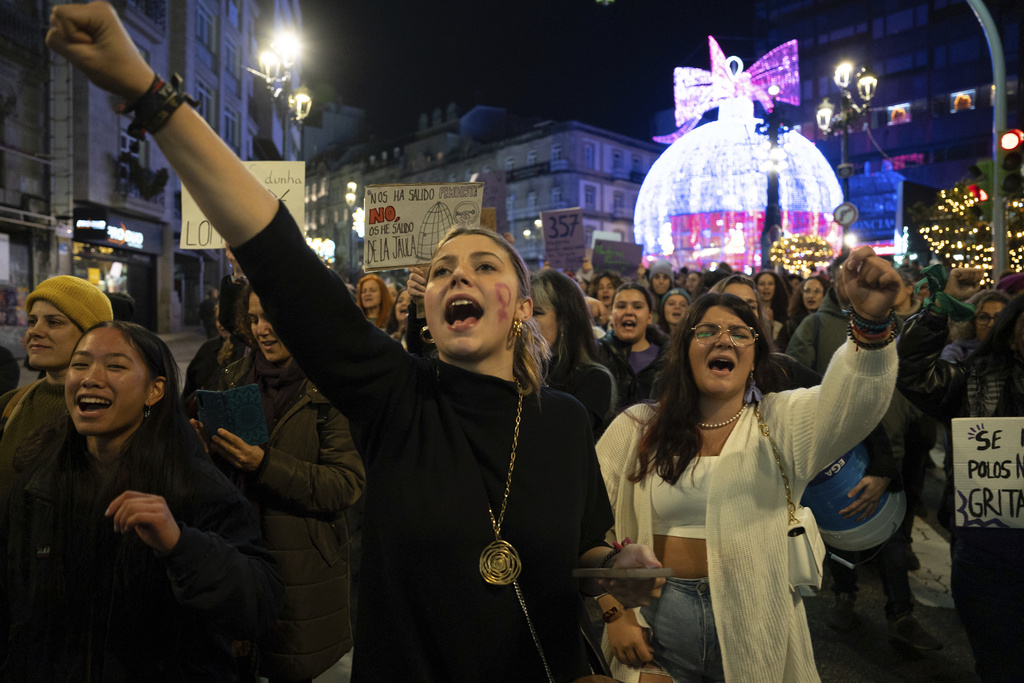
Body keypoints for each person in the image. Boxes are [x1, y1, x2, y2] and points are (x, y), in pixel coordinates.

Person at [44, 8, 629, 679]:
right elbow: (281, 259)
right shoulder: (397, 397)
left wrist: (619, 573)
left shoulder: (565, 421)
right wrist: (152, 95)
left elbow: (586, 552)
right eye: (441, 269)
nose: (457, 275)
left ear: (523, 307)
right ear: (428, 308)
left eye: (484, 265)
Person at [596, 247, 902, 682]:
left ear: (755, 356)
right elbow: (586, 525)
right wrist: (615, 611)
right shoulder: (635, 428)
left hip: (756, 629)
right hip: (653, 634)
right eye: (707, 331)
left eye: (740, 333)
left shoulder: (781, 421)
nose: (724, 340)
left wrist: (870, 325)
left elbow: (853, 402)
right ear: (684, 349)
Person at [0, 320, 284, 679]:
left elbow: (260, 603)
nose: (90, 378)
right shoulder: (38, 483)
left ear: (155, 390)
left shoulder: (195, 485)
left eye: (115, 366)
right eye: (80, 364)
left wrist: (181, 545)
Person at [208, 285, 365, 682]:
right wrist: (205, 448)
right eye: (254, 319)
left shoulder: (330, 386)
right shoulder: (235, 376)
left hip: (301, 566)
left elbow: (344, 484)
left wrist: (264, 465)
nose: (262, 330)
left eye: (273, 318)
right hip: (238, 553)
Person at [896, 267, 1023, 680]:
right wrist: (939, 308)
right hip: (991, 565)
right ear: (1012, 335)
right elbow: (913, 372)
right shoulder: (974, 381)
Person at [0, 275, 113, 497]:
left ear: (90, 335)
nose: (34, 331)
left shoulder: (114, 408)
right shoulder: (11, 404)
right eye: (32, 321)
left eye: (53, 322)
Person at [529, 270, 616, 439]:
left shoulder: (594, 379)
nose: (526, 320)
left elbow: (562, 437)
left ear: (564, 320)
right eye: (523, 310)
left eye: (536, 313)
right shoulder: (513, 369)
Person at [598, 284, 670, 412]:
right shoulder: (597, 353)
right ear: (611, 314)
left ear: (649, 317)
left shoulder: (669, 358)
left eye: (637, 307)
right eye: (621, 306)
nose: (629, 312)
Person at [940, 289, 1008, 363]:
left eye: (998, 317)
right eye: (983, 317)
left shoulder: (1013, 351)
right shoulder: (956, 352)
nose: (991, 324)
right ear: (972, 322)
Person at [777, 274, 828, 350]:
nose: (811, 295)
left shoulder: (830, 323)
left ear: (825, 294)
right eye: (807, 291)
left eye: (817, 291)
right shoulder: (790, 325)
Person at [754, 271, 790, 342]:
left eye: (770, 284)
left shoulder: (785, 313)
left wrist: (772, 326)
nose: (766, 287)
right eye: (762, 284)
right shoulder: (751, 311)